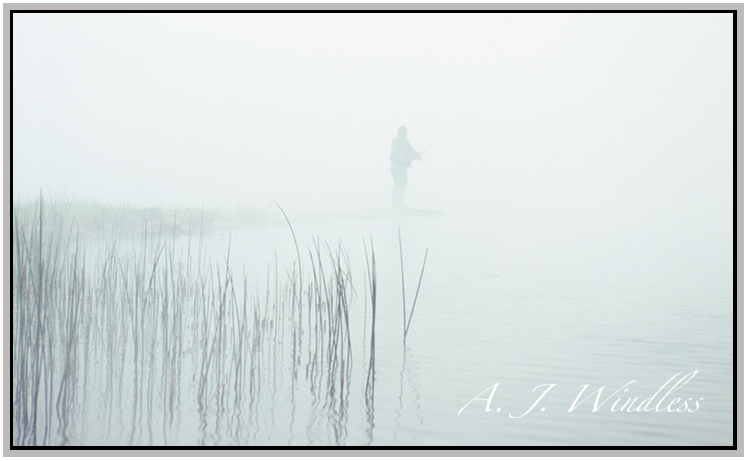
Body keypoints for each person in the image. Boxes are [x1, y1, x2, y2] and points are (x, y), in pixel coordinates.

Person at [390, 126, 421, 210]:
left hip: (394, 166)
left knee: (397, 185)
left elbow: (406, 151)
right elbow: (409, 150)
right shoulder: (402, 141)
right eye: (406, 132)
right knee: (402, 185)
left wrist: (414, 155)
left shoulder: (395, 141)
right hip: (400, 167)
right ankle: (398, 206)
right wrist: (417, 155)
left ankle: (395, 205)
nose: (406, 134)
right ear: (403, 133)